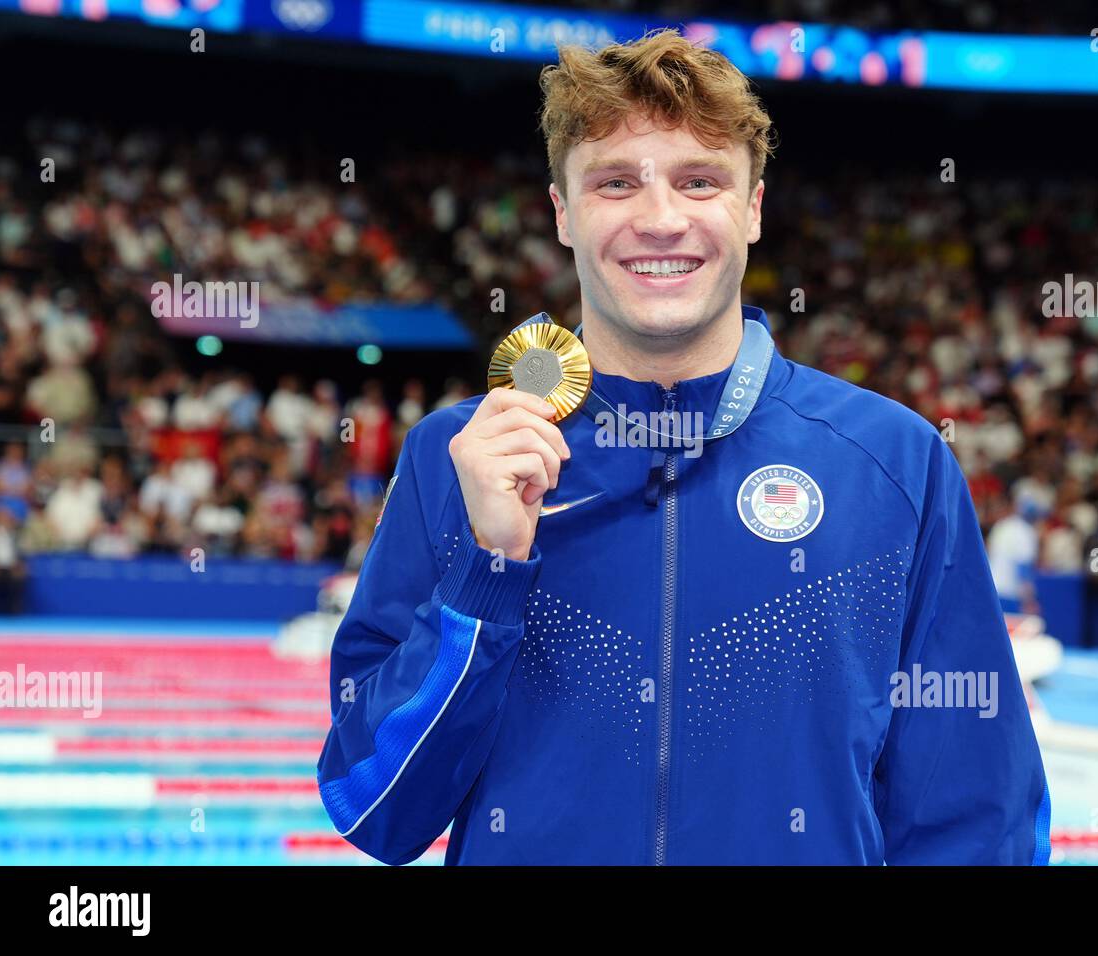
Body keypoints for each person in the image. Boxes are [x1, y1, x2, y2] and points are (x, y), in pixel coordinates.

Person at [317, 28, 1049, 866]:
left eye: (700, 182)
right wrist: (487, 571)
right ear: (562, 214)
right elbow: (373, 808)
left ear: (754, 210)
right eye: (616, 182)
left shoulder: (894, 461)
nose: (660, 219)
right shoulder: (459, 455)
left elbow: (976, 820)